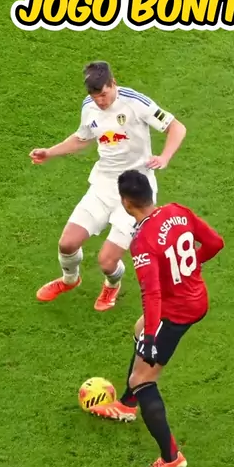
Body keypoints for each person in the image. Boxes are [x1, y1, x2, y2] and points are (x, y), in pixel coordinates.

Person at [91, 169, 225, 467]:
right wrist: (189, 268)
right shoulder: (178, 211)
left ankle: (171, 457)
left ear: (126, 203)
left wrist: (152, 337)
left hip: (175, 311)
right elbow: (215, 243)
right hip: (196, 298)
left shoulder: (142, 241)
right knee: (138, 330)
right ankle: (127, 405)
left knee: (143, 379)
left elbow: (152, 294)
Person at [29, 62, 186, 312]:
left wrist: (165, 157)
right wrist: (49, 152)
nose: (100, 101)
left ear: (113, 83)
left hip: (135, 191)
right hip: (103, 185)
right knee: (67, 244)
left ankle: (112, 284)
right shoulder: (89, 106)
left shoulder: (136, 102)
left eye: (103, 94)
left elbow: (176, 127)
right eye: (95, 96)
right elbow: (82, 139)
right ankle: (70, 280)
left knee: (107, 262)